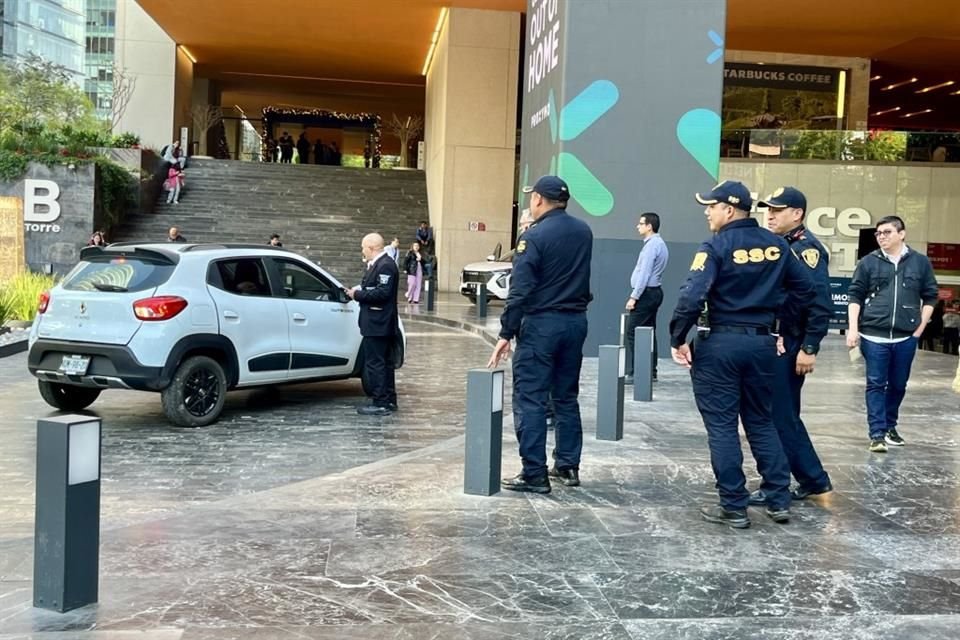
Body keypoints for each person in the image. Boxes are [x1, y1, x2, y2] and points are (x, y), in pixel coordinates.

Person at [669, 180, 827, 529]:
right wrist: (784, 328)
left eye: (711, 206)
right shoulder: (777, 245)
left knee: (722, 426)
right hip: (762, 346)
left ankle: (734, 505)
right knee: (762, 420)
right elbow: (806, 290)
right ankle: (777, 498)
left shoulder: (715, 244)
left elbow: (692, 296)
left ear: (729, 209)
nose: (707, 212)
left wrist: (678, 336)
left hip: (720, 344)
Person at [487, 175, 593, 494]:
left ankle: (534, 472)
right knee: (565, 397)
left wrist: (506, 332)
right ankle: (568, 465)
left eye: (531, 197)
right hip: (575, 322)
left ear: (538, 200)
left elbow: (519, 291)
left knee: (530, 398)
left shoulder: (532, 238)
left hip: (541, 326)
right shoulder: (583, 231)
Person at [748, 186, 834, 506]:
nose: (769, 214)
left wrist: (809, 347)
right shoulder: (778, 245)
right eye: (767, 209)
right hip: (775, 341)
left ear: (797, 214)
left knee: (779, 415)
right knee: (781, 414)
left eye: (777, 209)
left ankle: (786, 482)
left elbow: (820, 303)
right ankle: (811, 477)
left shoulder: (806, 249)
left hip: (792, 342)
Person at [846, 215, 938, 452]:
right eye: (878, 233)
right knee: (876, 383)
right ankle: (876, 433)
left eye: (886, 232)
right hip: (873, 335)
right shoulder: (868, 262)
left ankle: (889, 426)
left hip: (906, 337)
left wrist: (919, 329)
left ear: (901, 234)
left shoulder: (920, 262)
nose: (881, 237)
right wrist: (853, 329)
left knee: (898, 384)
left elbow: (930, 296)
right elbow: (855, 296)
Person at [346, 233, 400, 416]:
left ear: (371, 247)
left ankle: (381, 402)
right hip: (378, 322)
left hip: (378, 323)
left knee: (376, 363)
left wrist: (357, 295)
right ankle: (388, 399)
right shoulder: (379, 264)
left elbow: (383, 293)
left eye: (363, 247)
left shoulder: (385, 265)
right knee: (384, 363)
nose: (362, 251)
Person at [623, 212, 669, 384]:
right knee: (648, 333)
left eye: (641, 223)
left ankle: (637, 373)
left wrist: (634, 296)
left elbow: (645, 273)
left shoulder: (652, 246)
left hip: (646, 293)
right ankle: (650, 371)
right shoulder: (659, 244)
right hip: (653, 292)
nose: (638, 226)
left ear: (649, 226)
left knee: (634, 332)